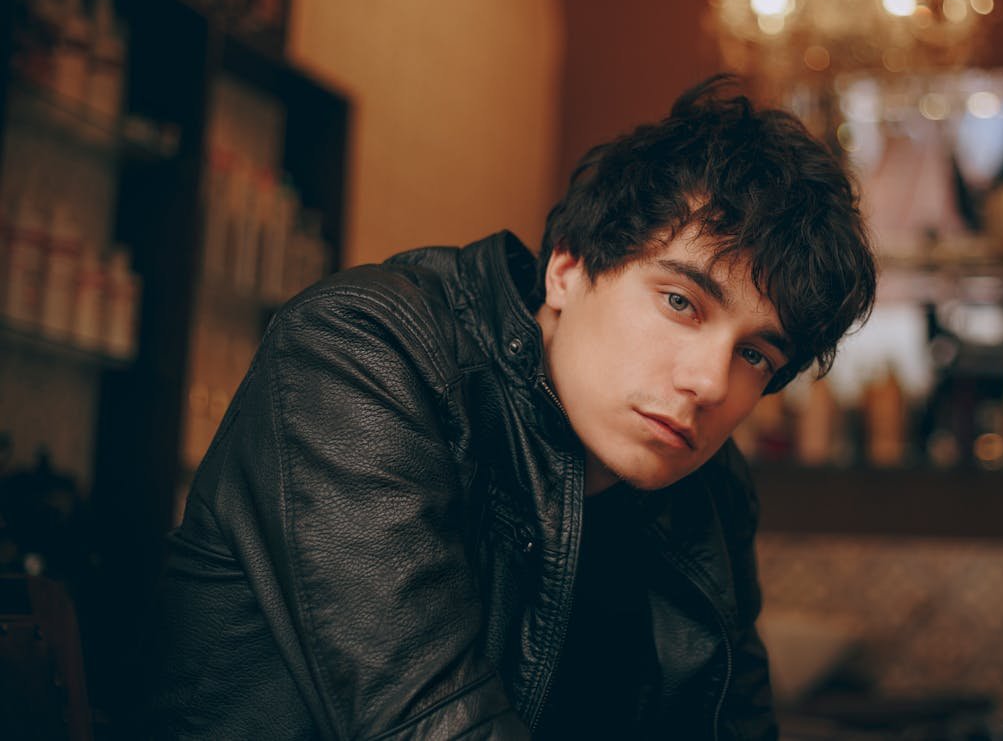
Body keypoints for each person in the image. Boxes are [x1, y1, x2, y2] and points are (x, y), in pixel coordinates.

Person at [151, 75, 877, 740]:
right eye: (681, 303)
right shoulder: (366, 350)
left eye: (755, 355)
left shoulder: (712, 485)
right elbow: (428, 725)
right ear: (567, 267)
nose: (711, 384)